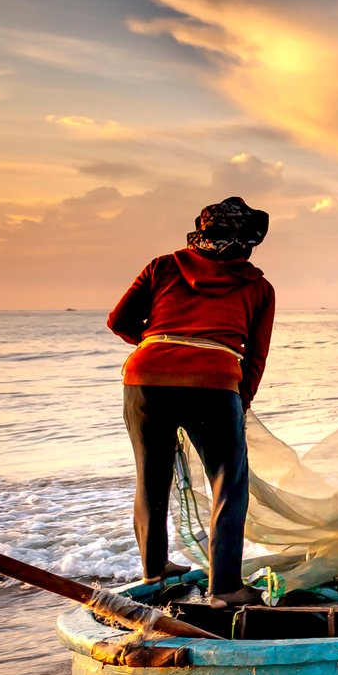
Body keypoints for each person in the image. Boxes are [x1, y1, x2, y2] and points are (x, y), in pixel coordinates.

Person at [107, 196, 275, 605]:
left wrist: (157, 344)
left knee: (151, 477)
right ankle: (225, 588)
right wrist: (242, 399)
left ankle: (155, 569)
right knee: (228, 484)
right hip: (215, 381)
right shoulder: (257, 286)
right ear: (247, 240)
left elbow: (118, 321)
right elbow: (255, 356)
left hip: (146, 377)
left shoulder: (163, 266)